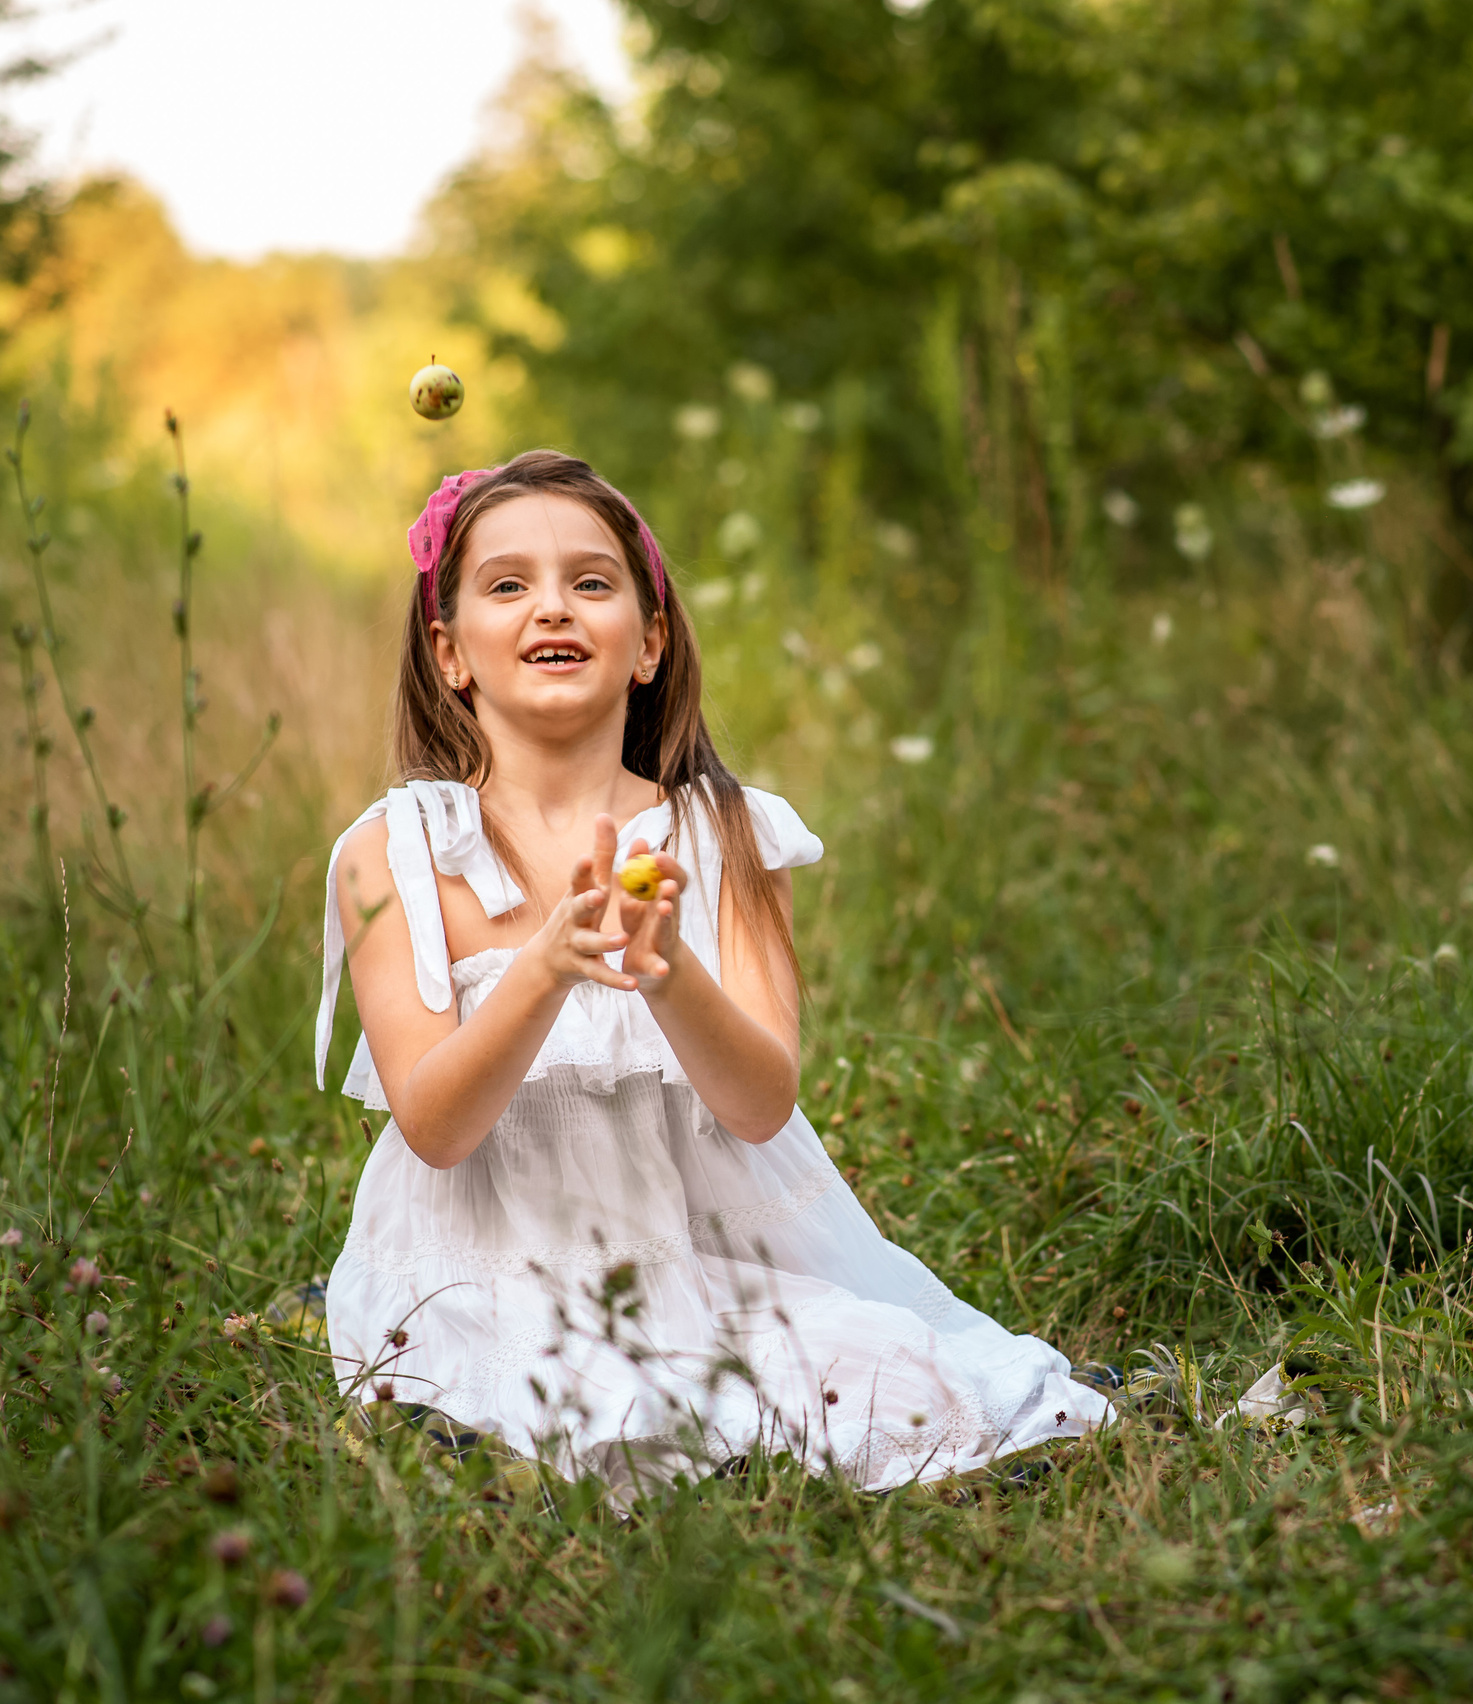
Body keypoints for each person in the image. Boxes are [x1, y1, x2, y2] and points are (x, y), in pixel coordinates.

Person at [313, 451, 1109, 1495]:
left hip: (705, 1267)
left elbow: (760, 1105)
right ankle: (478, 1431)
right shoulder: (396, 851)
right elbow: (434, 1125)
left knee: (907, 1389)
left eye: (591, 581)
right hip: (486, 1270)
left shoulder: (725, 831)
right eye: (507, 585)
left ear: (649, 643)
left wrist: (668, 972)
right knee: (520, 1404)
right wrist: (544, 970)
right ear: (449, 650)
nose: (552, 606)